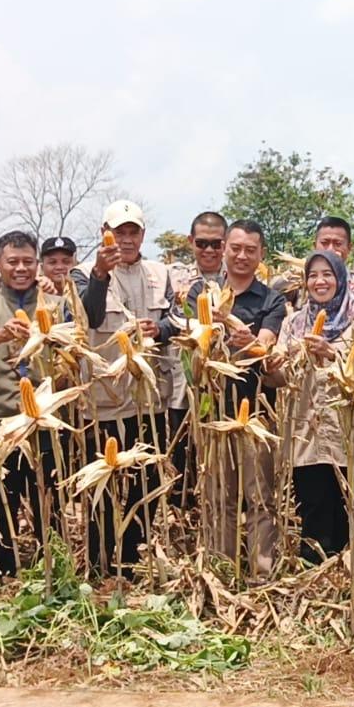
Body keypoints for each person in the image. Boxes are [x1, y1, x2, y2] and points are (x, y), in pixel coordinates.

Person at [171, 220, 288, 577]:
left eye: (250, 250)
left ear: (260, 255)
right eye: (235, 248)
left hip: (257, 414)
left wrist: (237, 329)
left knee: (260, 499)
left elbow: (266, 346)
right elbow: (191, 341)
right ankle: (220, 572)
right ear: (225, 249)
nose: (241, 256)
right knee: (217, 496)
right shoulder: (199, 294)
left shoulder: (272, 298)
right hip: (213, 413)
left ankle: (261, 575)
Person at [0, 230, 68, 573]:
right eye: (13, 262)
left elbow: (74, 352)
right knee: (2, 497)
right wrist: (0, 335)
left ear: (37, 265)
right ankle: (6, 566)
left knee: (46, 498)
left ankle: (50, 565)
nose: (21, 268)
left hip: (45, 420)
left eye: (27, 262)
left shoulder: (55, 304)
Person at [80, 200, 173, 574]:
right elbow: (90, 317)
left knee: (145, 484)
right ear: (106, 232)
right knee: (103, 485)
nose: (127, 239)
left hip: (149, 400)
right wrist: (99, 276)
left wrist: (161, 330)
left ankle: (133, 559)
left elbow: (175, 320)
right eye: (119, 232)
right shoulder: (82, 273)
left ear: (143, 235)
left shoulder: (160, 273)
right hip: (105, 399)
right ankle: (98, 560)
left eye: (133, 232)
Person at [267, 251, 354, 563]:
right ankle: (312, 569)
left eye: (327, 274)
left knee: (344, 503)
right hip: (305, 429)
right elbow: (280, 379)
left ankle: (344, 570)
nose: (319, 281)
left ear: (340, 279)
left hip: (346, 429)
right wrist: (270, 368)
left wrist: (332, 354)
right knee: (312, 504)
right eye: (313, 275)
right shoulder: (294, 323)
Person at [163, 211, 229, 506]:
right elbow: (165, 322)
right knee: (184, 461)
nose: (209, 250)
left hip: (225, 387)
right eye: (202, 243)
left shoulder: (238, 276)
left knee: (222, 462)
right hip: (185, 387)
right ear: (191, 242)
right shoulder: (174, 277)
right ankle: (185, 526)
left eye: (216, 244)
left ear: (226, 244)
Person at [273, 216, 354, 309]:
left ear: (349, 248)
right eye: (324, 243)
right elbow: (273, 292)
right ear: (315, 246)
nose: (330, 250)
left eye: (337, 244)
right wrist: (295, 273)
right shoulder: (300, 278)